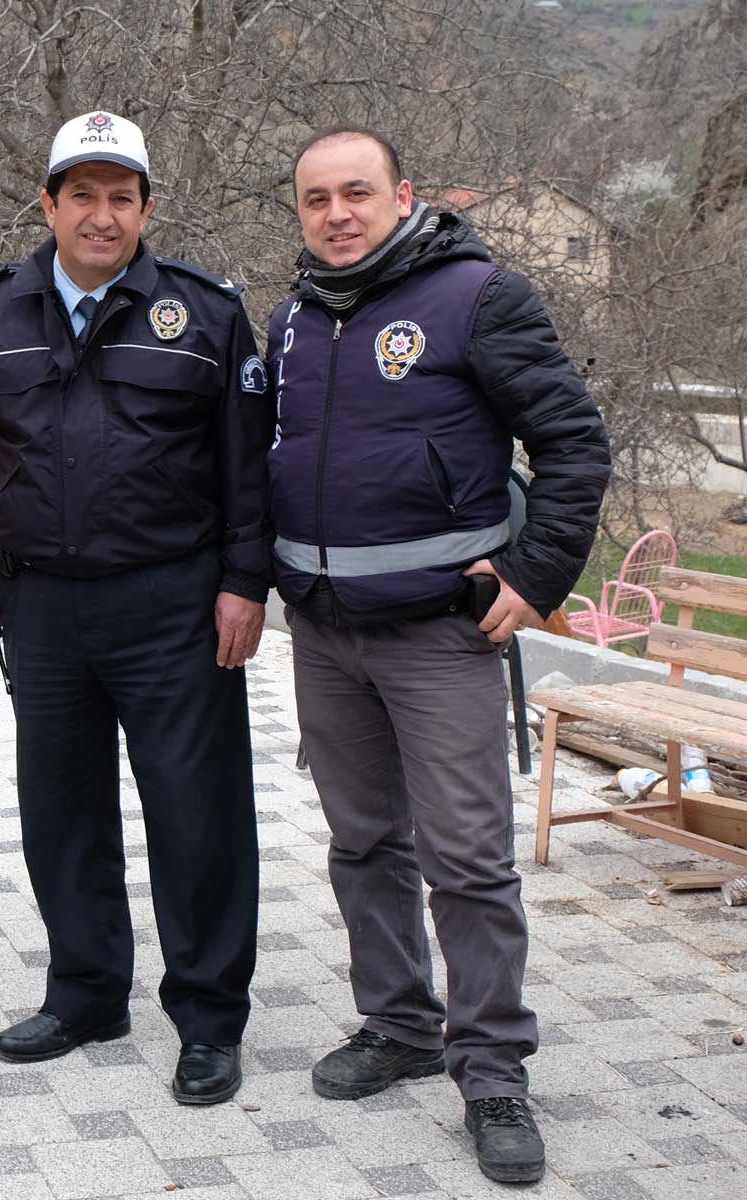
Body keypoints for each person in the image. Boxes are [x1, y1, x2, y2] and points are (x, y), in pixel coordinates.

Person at [267, 127, 610, 1184]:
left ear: (402, 195)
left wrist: (533, 577)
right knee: (365, 842)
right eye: (317, 198)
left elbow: (574, 444)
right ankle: (400, 1024)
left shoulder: (476, 298)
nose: (337, 213)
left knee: (466, 860)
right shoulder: (288, 320)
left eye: (357, 192)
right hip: (324, 632)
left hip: (440, 635)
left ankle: (494, 1071)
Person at [0, 111, 271, 1104]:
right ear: (47, 205)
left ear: (146, 209)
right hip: (40, 609)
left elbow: (247, 469)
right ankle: (87, 990)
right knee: (61, 812)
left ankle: (209, 1017)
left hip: (172, 604)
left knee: (197, 816)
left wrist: (244, 583)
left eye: (119, 196)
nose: (100, 214)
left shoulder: (206, 316)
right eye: (80, 195)